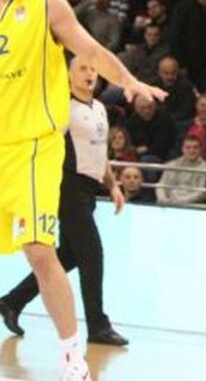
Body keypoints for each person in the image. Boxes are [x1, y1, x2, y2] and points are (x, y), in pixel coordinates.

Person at [0, 0, 165, 381]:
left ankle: (73, 357)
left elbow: (90, 51)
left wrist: (129, 82)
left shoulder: (44, 2)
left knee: (40, 250)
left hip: (33, 147)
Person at [0, 56, 129, 347]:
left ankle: (11, 301)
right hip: (67, 186)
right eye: (82, 68)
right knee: (92, 254)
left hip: (89, 189)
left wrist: (113, 186)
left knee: (69, 255)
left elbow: (100, 153)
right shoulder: (61, 107)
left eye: (92, 69)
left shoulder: (100, 108)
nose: (89, 73)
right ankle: (98, 325)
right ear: (68, 76)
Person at [155, 136, 206, 205]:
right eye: (188, 148)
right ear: (182, 149)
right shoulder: (172, 164)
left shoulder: (205, 167)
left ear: (200, 149)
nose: (191, 151)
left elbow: (201, 194)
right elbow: (161, 185)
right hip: (169, 203)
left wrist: (179, 201)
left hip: (191, 205)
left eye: (195, 148)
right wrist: (163, 199)